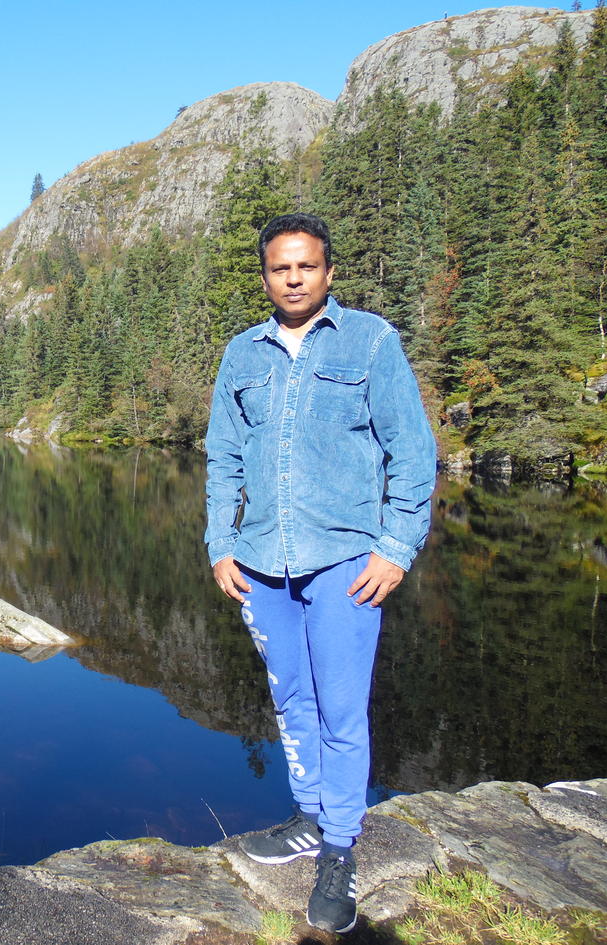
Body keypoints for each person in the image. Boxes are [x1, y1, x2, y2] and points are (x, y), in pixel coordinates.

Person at [205, 213, 435, 933]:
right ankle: (308, 814)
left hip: (344, 560)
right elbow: (222, 458)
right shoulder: (242, 354)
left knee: (341, 709)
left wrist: (396, 547)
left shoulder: (370, 341)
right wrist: (220, 542)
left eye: (307, 266)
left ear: (329, 272)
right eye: (280, 267)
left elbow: (414, 449)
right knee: (290, 699)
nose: (294, 277)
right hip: (262, 560)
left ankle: (340, 850)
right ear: (265, 275)